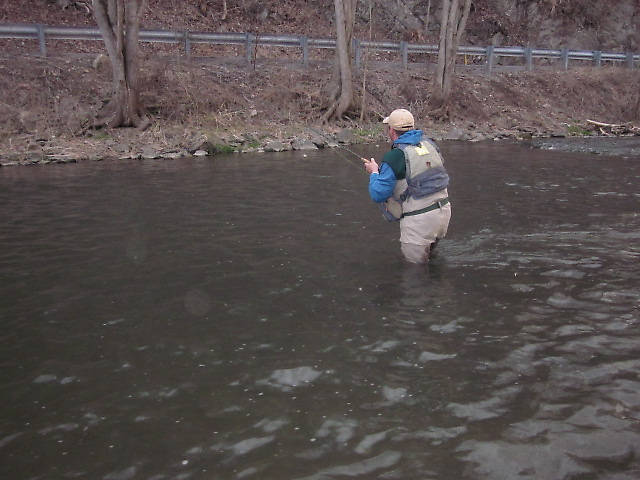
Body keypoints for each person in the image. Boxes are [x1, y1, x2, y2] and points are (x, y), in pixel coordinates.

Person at [362, 108, 452, 264]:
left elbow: (378, 193)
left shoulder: (395, 156)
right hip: (443, 214)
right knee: (431, 266)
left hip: (420, 222)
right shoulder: (429, 145)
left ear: (391, 130)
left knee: (415, 275)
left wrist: (375, 172)